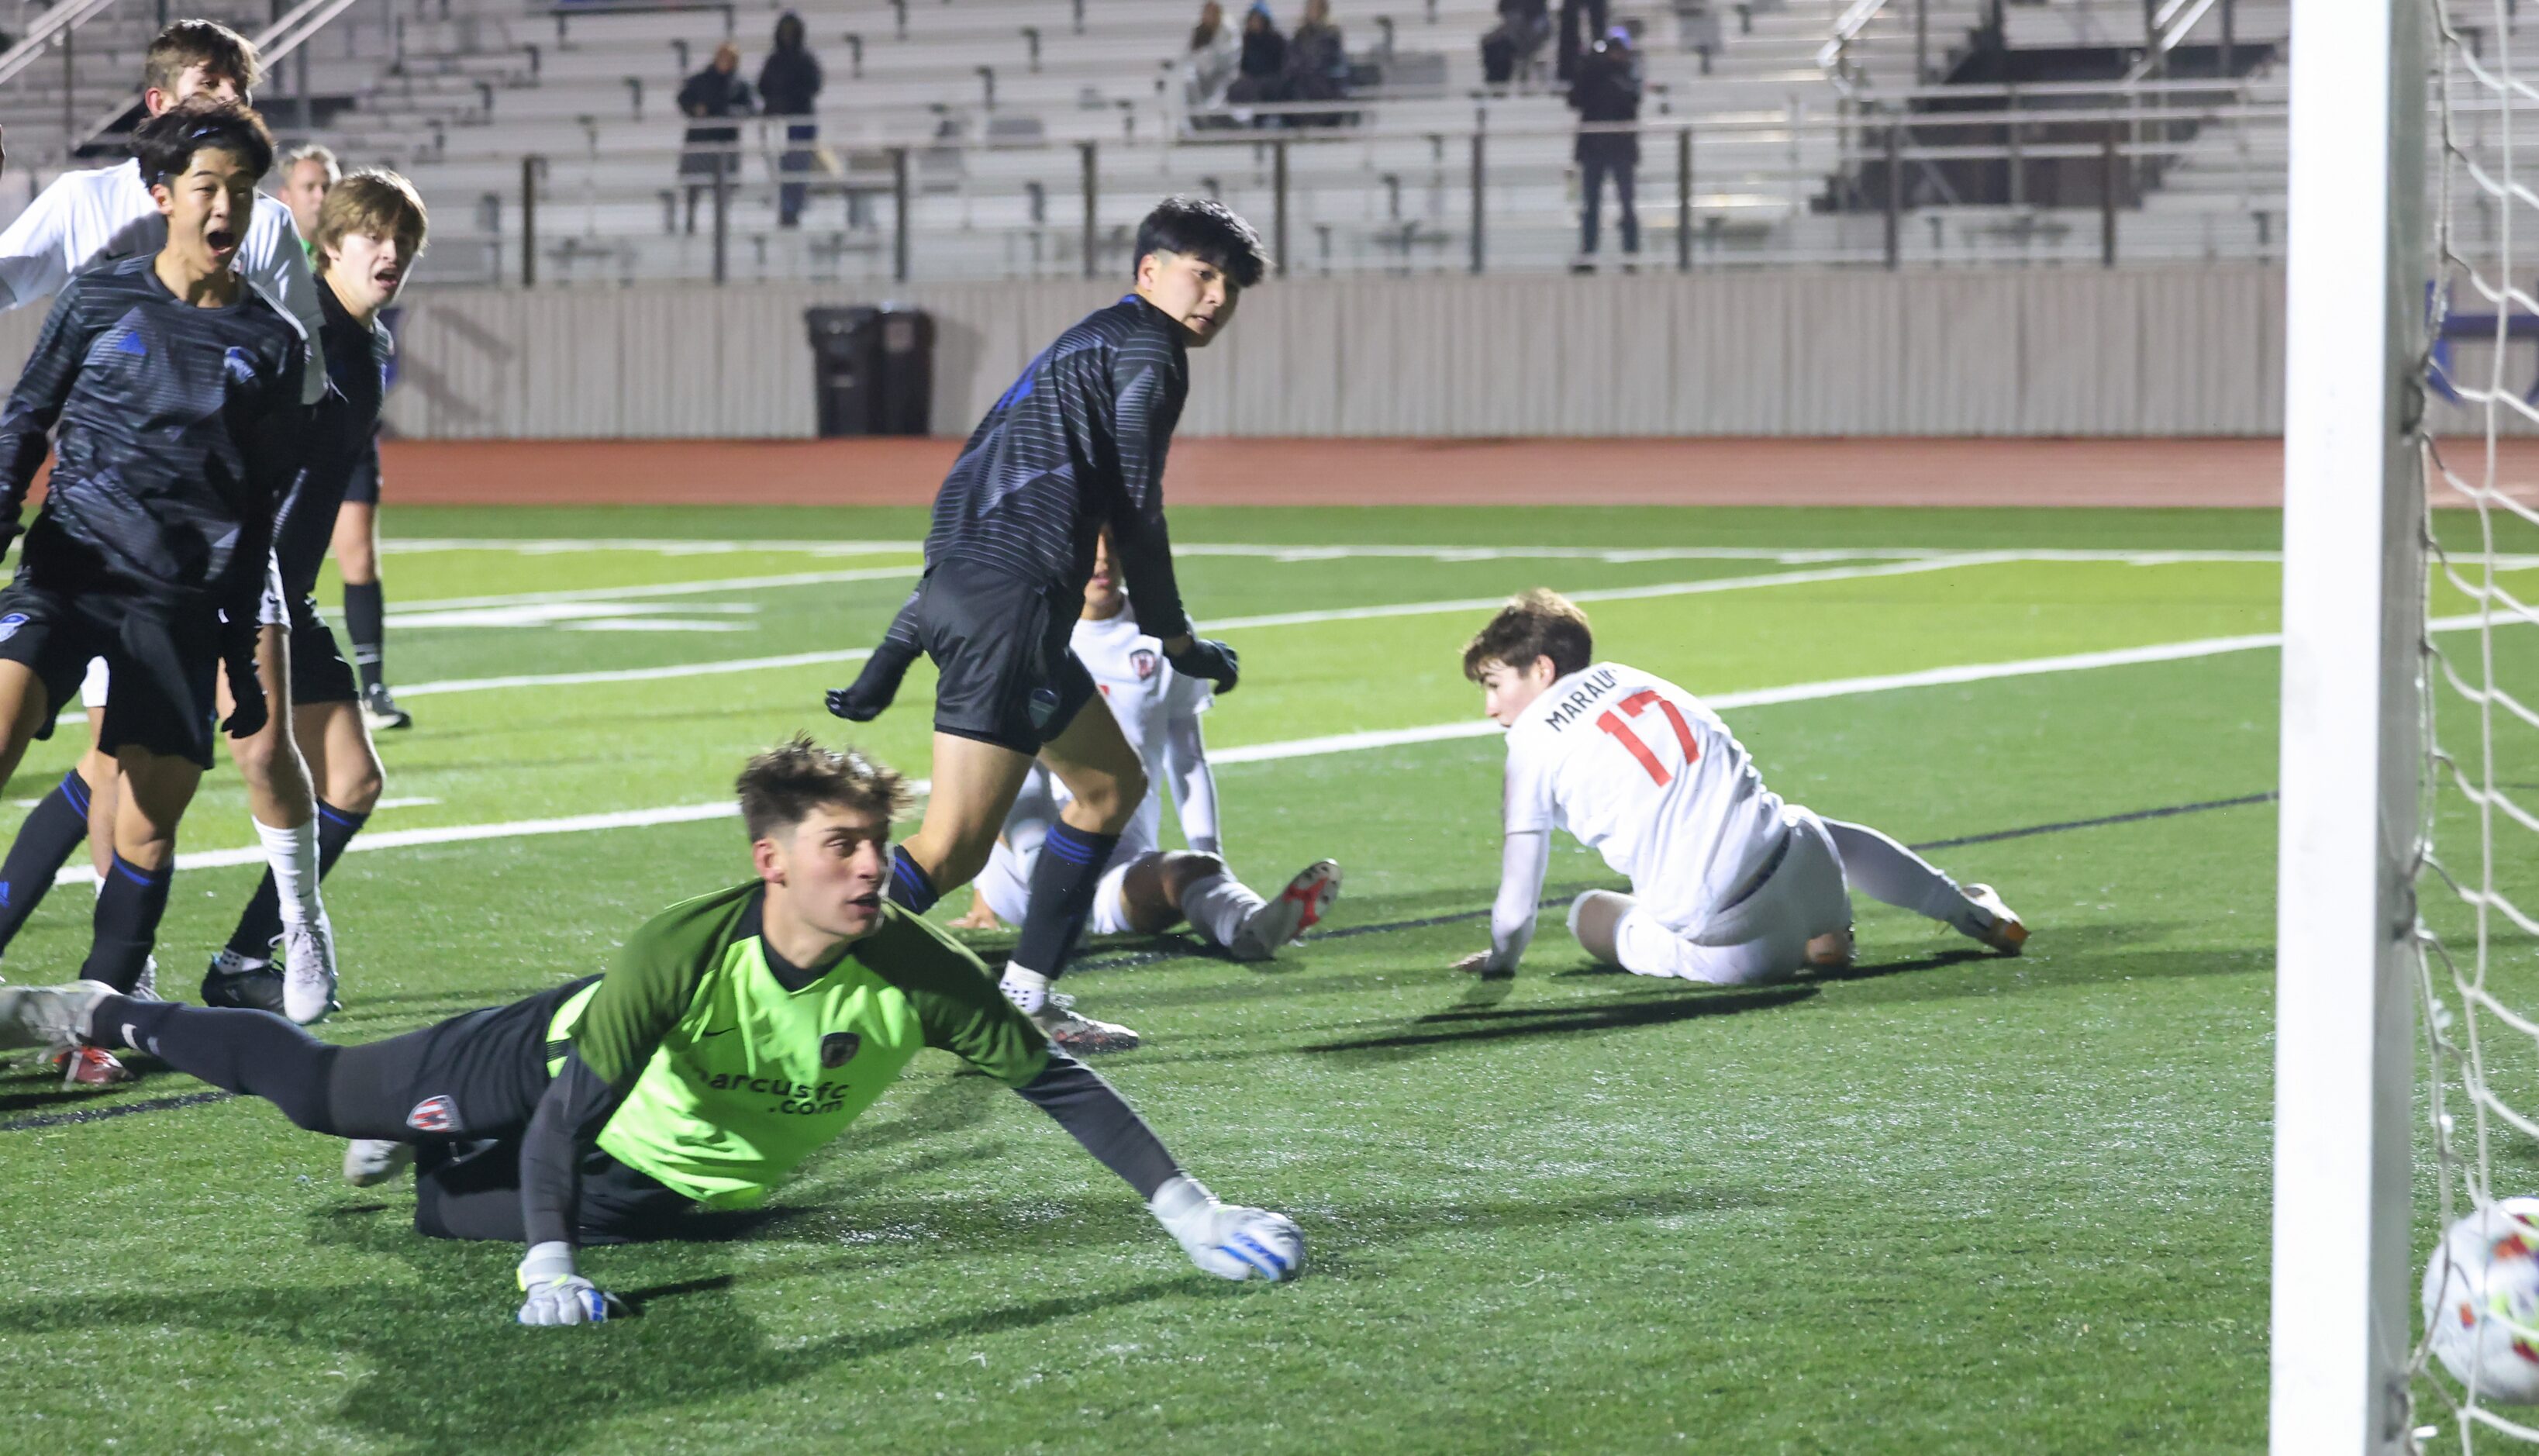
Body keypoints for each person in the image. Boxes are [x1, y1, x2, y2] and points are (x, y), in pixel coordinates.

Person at [0, 737, 1306, 1324]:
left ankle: (440, 1159)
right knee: (333, 1096)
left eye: (873, 844)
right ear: (771, 861)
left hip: (669, 1182)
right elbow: (571, 1106)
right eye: (842, 847)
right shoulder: (681, 951)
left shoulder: (920, 968)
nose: (872, 868)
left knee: (448, 1211)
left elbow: (1059, 1087)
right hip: (547, 1062)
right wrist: (550, 1259)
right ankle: (117, 1011)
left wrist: (1183, 1203)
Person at [823, 196, 1265, 1055]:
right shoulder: (1150, 350)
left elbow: (964, 507)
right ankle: (769, 971)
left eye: (1229, 285)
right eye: (1200, 273)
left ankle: (1027, 1000)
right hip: (1013, 614)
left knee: (1107, 790)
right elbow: (1137, 509)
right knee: (949, 851)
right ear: (1149, 273)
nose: (1213, 296)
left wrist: (894, 655)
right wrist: (1175, 638)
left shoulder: (1079, 346)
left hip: (970, 599)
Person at [0, 26, 336, 1075]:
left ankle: (95, 1021)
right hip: (66, 572)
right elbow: (23, 424)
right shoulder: (99, 297)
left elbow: (256, 508)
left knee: (146, 825)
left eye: (240, 188)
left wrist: (238, 655)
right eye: (205, 185)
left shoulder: (273, 346)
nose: (223, 207)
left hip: (177, 608)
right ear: (163, 191)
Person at [1453, 591, 2030, 984]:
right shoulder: (1636, 677)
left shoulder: (1528, 748)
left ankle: (1806, 936)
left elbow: (1516, 902)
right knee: (1801, 822)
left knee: (1588, 913)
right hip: (1805, 862)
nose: (1489, 707)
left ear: (1543, 671)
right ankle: (1957, 913)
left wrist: (1503, 961)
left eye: (1495, 684)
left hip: (1732, 937)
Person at [200, 171, 424, 1013]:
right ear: (326, 244)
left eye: (400, 239)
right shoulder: (294, 331)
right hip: (228, 586)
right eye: (371, 235)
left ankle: (239, 961)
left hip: (285, 596)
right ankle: (111, 996)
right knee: (127, 785)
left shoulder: (372, 345)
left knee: (353, 780)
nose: (389, 252)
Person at [950, 529, 1342, 971]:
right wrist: (984, 888)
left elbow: (1188, 757)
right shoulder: (1027, 629)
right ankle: (1042, 894)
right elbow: (994, 764)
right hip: (1023, 874)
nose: (1102, 562)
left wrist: (1211, 855)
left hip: (1110, 870)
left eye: (1112, 546)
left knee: (1190, 872)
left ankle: (1249, 924)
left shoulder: (1164, 633)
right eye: (1087, 548)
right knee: (1013, 749)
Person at [1569, 26, 1641, 271]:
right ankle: (1588, 253)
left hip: (1620, 147)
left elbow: (1631, 102)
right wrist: (1589, 70)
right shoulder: (1592, 74)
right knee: (1591, 204)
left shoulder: (1628, 76)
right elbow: (1575, 100)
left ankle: (1631, 254)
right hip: (1594, 147)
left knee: (1627, 203)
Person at [677, 43, 754, 235]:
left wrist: (729, 113)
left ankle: (721, 226)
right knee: (694, 185)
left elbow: (752, 107)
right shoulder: (701, 80)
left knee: (724, 189)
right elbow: (684, 98)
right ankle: (690, 223)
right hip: (700, 139)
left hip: (726, 141)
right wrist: (695, 108)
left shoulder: (739, 84)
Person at [757, 13, 822, 229]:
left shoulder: (806, 60)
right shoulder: (773, 61)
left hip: (800, 120)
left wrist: (790, 99)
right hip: (776, 121)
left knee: (798, 165)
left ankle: (793, 209)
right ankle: (783, 208)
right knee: (778, 166)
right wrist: (776, 103)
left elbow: (813, 86)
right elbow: (762, 87)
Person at [1182, 1, 1242, 116]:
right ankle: (1197, 117)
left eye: (1211, 13)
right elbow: (1189, 55)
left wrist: (1208, 57)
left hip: (1224, 74)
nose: (1207, 16)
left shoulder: (1228, 30)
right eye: (1206, 13)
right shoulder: (1199, 30)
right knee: (1187, 81)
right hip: (1202, 74)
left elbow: (1229, 56)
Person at [1285, 0, 1348, 109]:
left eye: (1316, 9)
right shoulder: (1300, 34)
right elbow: (1294, 57)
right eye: (1311, 9)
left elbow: (1333, 58)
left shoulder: (1332, 33)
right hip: (1303, 79)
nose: (1312, 12)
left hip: (1325, 80)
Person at [272, 140, 335, 251]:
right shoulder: (270, 254)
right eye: (309, 187)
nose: (321, 197)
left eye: (327, 187)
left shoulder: (355, 254)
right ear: (286, 197)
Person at [1226, 2, 1287, 108]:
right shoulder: (1246, 40)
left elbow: (1282, 64)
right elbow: (1243, 65)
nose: (1255, 23)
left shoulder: (1277, 40)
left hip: (1271, 80)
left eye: (1258, 20)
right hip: (1251, 81)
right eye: (1253, 20)